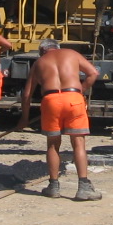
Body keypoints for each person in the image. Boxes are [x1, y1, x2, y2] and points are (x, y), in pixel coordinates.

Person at [16, 40, 102, 201]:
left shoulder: (39, 63)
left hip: (51, 101)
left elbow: (27, 95)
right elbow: (93, 73)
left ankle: (53, 186)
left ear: (42, 51)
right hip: (74, 99)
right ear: (57, 48)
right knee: (78, 143)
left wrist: (24, 119)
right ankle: (84, 187)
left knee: (53, 144)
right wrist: (80, 91)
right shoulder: (72, 54)